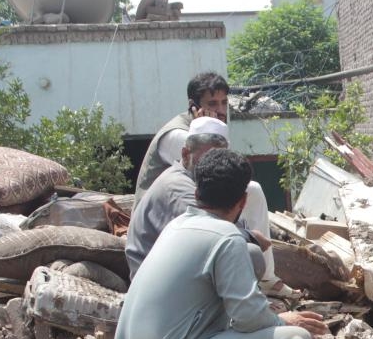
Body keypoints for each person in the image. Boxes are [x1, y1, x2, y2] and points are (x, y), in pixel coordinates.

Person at [112, 149, 329, 339]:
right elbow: (250, 318)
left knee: (251, 258)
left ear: (198, 191)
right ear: (243, 201)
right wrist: (282, 319)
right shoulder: (226, 239)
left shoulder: (177, 226)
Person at [126, 117, 295, 297]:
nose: (211, 167)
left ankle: (265, 282)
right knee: (249, 253)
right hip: (156, 282)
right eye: (205, 160)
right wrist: (249, 236)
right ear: (185, 154)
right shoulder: (178, 187)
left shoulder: (196, 183)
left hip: (173, 273)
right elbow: (209, 233)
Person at [135, 72, 229, 202]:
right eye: (212, 104)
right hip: (160, 215)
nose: (221, 110)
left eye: (224, 102)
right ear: (193, 105)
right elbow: (218, 174)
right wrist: (208, 128)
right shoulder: (177, 134)